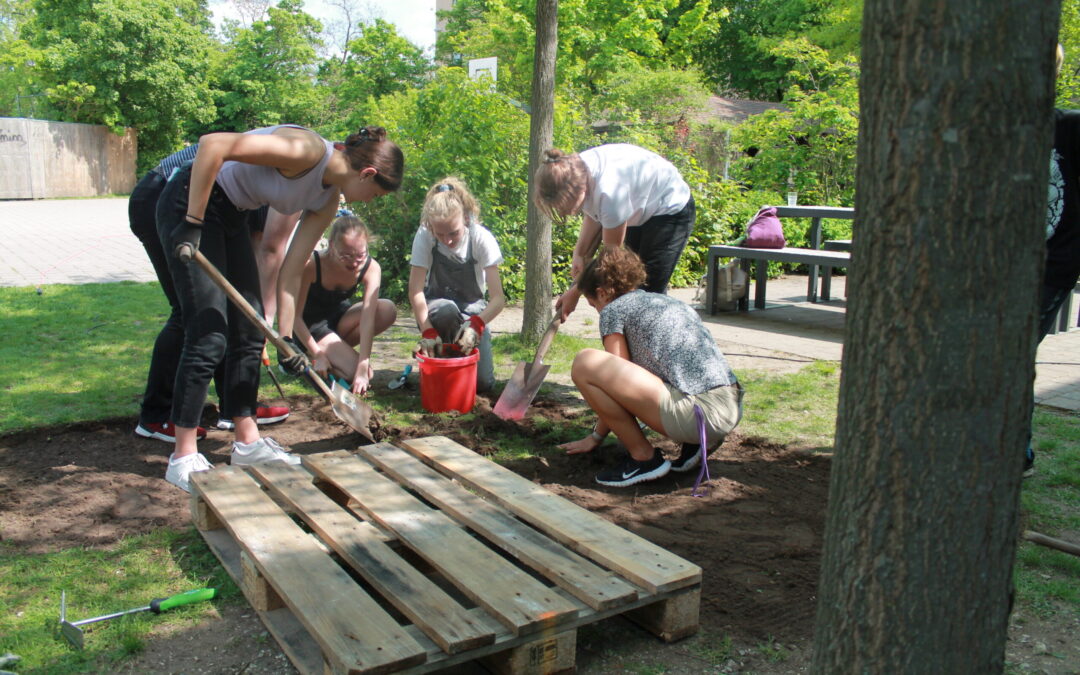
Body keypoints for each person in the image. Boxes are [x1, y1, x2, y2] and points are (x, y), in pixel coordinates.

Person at [156, 124, 404, 492]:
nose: (370, 201)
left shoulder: (328, 200)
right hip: (192, 200)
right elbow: (212, 146)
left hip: (231, 215)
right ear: (367, 174)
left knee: (251, 329)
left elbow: (290, 273)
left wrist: (287, 338)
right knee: (209, 334)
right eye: (375, 194)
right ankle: (183, 456)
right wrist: (192, 222)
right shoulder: (306, 151)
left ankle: (247, 441)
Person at [129, 147, 289, 443]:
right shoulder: (286, 175)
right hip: (163, 194)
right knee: (191, 312)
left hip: (207, 201)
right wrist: (261, 321)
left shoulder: (284, 179)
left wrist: (255, 321)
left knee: (226, 311)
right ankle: (155, 416)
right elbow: (266, 252)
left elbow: (252, 266)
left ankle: (234, 409)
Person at [559, 247, 743, 488]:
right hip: (731, 404)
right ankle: (699, 443)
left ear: (602, 294)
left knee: (586, 363)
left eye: (593, 304)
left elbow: (615, 382)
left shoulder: (614, 310)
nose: (597, 310)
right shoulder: (664, 302)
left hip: (700, 415)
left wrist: (596, 437)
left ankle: (643, 458)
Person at [533, 144, 695, 320]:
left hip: (669, 209)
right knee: (627, 289)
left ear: (581, 189)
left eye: (570, 206)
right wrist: (579, 254)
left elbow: (611, 258)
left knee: (647, 294)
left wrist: (576, 291)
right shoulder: (570, 169)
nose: (570, 212)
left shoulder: (610, 192)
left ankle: (657, 340)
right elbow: (594, 214)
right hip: (639, 207)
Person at [1026, 43, 1080, 475]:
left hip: (1050, 266)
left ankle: (1015, 454)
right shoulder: (987, 128)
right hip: (991, 267)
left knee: (1011, 354)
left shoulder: (1070, 128)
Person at [407, 177, 506, 393]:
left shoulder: (481, 238)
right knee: (446, 310)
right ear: (430, 226)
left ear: (466, 219)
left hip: (473, 312)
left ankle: (458, 360)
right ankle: (442, 361)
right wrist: (428, 332)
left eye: (453, 233)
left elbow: (499, 298)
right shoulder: (424, 235)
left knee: (483, 385)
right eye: (439, 234)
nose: (447, 240)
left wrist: (476, 326)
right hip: (438, 310)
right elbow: (415, 290)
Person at [291, 211, 396, 394]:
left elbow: (367, 320)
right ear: (332, 246)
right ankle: (312, 357)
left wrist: (363, 366)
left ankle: (336, 356)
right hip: (311, 328)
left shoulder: (371, 268)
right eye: (346, 256)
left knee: (387, 309)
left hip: (338, 319)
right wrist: (318, 353)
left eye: (360, 255)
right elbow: (294, 317)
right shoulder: (313, 265)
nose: (355, 263)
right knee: (352, 373)